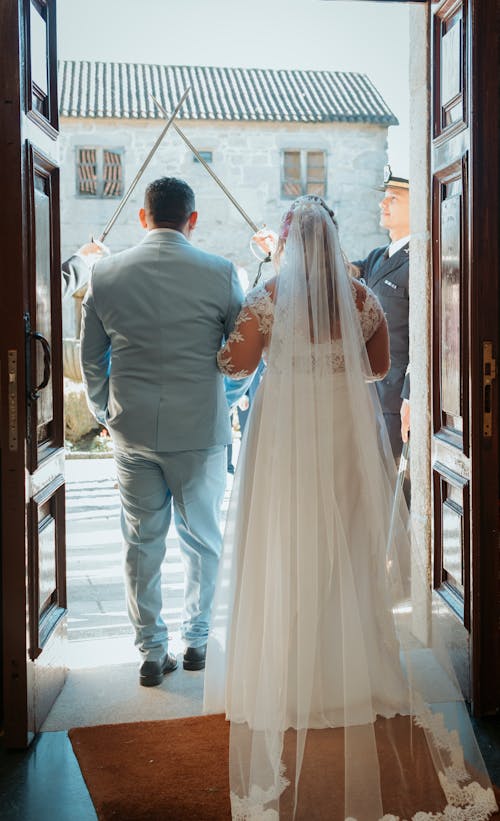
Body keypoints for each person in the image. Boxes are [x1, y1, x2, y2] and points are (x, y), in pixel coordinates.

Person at [203, 195, 497, 819]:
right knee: (346, 542)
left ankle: (286, 672)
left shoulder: (269, 296)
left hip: (282, 439)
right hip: (341, 431)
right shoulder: (361, 299)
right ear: (333, 241)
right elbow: (380, 368)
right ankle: (348, 671)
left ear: (286, 240)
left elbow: (234, 361)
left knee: (285, 539)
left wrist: (235, 328)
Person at [80, 177, 244, 686]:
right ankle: (196, 643)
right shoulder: (222, 273)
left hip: (132, 432)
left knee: (140, 542)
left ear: (143, 217)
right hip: (200, 430)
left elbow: (91, 359)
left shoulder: (105, 274)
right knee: (203, 541)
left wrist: (107, 412)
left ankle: (152, 652)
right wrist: (222, 403)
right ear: (192, 219)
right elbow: (241, 359)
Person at [352, 166, 410, 460]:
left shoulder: (420, 261)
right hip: (367, 394)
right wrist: (281, 248)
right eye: (384, 197)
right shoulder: (377, 257)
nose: (383, 204)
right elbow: (334, 270)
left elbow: (430, 338)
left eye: (394, 198)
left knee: (397, 496)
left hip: (396, 400)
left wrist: (412, 396)